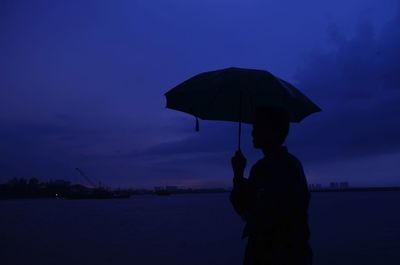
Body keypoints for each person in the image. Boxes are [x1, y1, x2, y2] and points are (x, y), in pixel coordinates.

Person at [230, 106, 312, 265]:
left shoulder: (286, 168)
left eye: (257, 127)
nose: (252, 133)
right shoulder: (261, 168)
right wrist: (238, 174)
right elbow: (244, 206)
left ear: (274, 131)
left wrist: (239, 177)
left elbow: (260, 215)